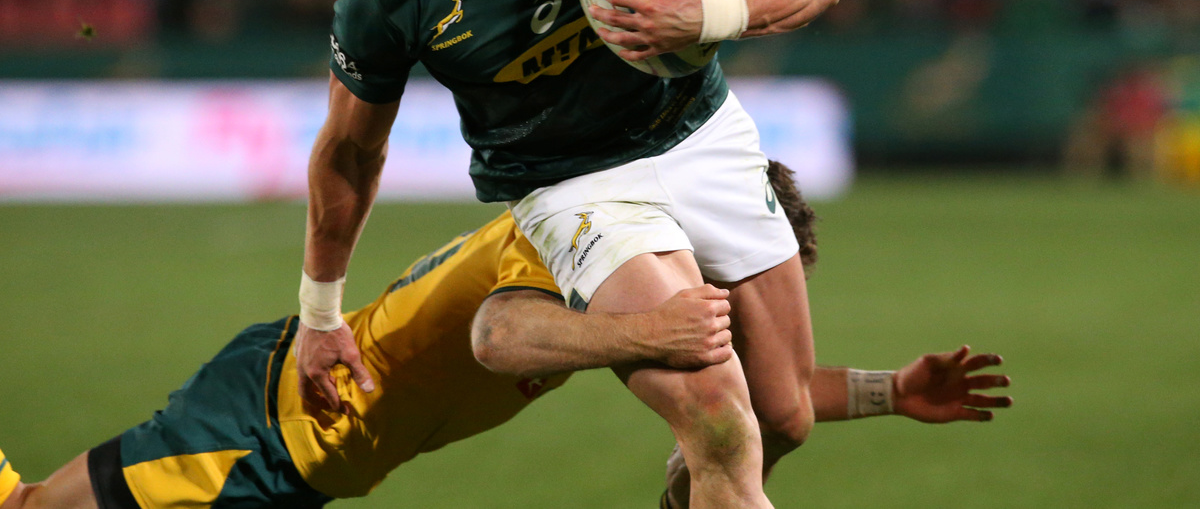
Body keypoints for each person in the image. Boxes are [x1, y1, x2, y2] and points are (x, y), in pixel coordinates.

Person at [298, 0, 841, 509]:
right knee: (718, 414)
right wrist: (320, 313)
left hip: (698, 130)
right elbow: (350, 152)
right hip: (570, 183)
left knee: (782, 416)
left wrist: (713, 15)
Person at [1, 173, 1012, 509]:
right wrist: (644, 327)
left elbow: (756, 396)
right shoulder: (590, 251)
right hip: (270, 430)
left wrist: (888, 390)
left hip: (306, 448)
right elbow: (498, 331)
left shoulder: (627, 279)